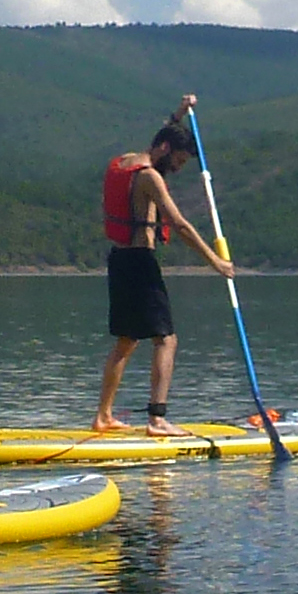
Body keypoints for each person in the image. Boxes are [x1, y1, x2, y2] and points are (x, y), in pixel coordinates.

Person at [94, 103, 233, 435]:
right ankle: (157, 419)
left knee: (127, 340)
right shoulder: (150, 177)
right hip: (140, 263)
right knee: (166, 340)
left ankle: (103, 416)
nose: (178, 169)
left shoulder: (125, 162)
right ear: (166, 149)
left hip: (119, 261)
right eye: (178, 161)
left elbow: (162, 138)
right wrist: (215, 262)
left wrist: (179, 115)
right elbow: (180, 225)